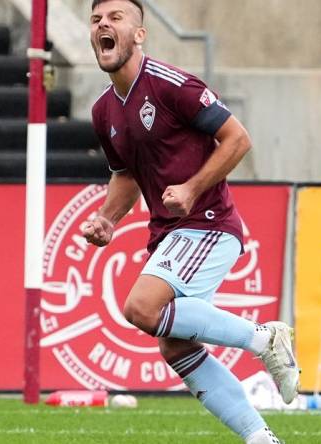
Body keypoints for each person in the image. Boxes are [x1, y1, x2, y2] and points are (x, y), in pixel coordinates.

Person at [83, 1, 299, 442]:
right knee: (175, 344)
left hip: (209, 223)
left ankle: (263, 339)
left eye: (116, 18)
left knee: (141, 308)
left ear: (140, 34)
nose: (104, 25)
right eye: (96, 20)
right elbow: (125, 173)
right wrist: (107, 218)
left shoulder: (171, 86)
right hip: (170, 233)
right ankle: (262, 439)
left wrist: (191, 188)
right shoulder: (104, 110)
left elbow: (238, 138)